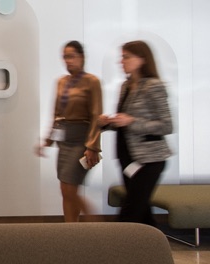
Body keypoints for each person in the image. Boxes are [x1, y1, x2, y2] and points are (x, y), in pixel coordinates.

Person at [98, 40, 173, 226]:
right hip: (127, 158)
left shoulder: (154, 86)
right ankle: (153, 243)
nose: (121, 61)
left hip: (149, 159)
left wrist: (132, 121)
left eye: (126, 57)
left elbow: (166, 126)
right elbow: (124, 123)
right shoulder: (126, 86)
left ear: (141, 59)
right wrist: (107, 123)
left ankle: (118, 244)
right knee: (142, 212)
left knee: (130, 212)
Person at [37, 40, 103, 222]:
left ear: (81, 57)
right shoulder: (61, 82)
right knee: (65, 189)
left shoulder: (92, 82)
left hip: (81, 140)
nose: (68, 61)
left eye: (72, 56)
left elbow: (96, 116)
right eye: (65, 57)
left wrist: (93, 147)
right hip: (64, 141)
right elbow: (56, 114)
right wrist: (47, 141)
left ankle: (97, 224)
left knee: (70, 189)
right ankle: (71, 229)